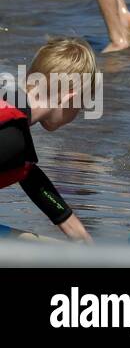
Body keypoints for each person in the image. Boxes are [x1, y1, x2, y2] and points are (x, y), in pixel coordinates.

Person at [0, 39, 97, 241]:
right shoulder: (11, 138)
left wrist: (77, 232)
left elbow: (29, 175)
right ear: (69, 98)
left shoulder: (9, 113)